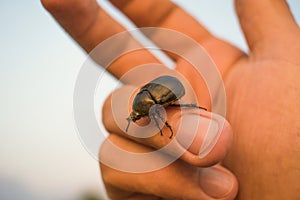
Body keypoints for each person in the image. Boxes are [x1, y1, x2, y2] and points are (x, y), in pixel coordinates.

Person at [41, 0, 300, 199]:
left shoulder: (151, 104)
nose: (139, 117)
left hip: (173, 91)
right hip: (167, 91)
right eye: (138, 116)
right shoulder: (144, 102)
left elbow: (161, 115)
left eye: (138, 115)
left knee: (176, 114)